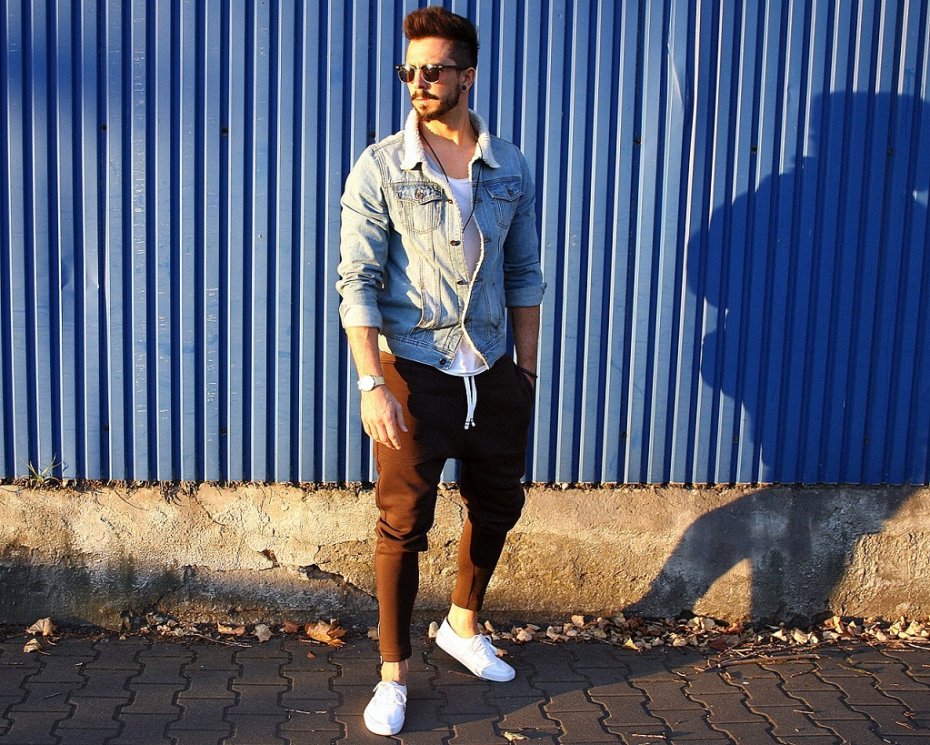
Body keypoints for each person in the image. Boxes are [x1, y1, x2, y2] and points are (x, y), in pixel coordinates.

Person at [336, 6, 545, 737]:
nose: (418, 83)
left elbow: (524, 272)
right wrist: (371, 382)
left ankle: (462, 622)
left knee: (499, 503)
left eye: (433, 70)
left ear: (467, 76)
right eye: (409, 71)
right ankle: (393, 673)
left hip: (492, 369)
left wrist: (526, 373)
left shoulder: (509, 165)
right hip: (414, 371)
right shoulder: (381, 166)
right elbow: (357, 282)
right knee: (402, 524)